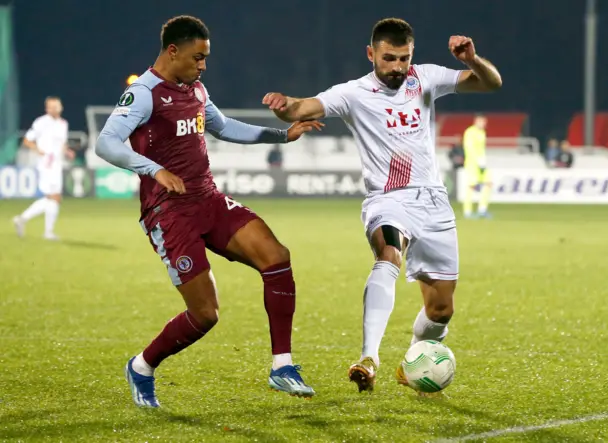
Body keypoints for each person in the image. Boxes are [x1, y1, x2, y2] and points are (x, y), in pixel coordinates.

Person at [262, 17, 502, 393]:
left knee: (441, 310)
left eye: (403, 58)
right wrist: (283, 106)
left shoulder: (425, 78)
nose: (397, 68)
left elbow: (492, 83)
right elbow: (301, 108)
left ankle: (412, 363)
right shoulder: (354, 93)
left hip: (434, 202)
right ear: (371, 54)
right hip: (388, 200)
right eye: (389, 58)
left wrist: (472, 59)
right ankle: (369, 358)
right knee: (389, 253)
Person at [95, 15, 322, 407]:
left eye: (206, 58)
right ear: (173, 51)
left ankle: (282, 367)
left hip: (209, 200)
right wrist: (153, 169)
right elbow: (106, 143)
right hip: (169, 213)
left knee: (276, 257)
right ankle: (143, 365)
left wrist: (282, 135)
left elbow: (224, 127)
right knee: (205, 315)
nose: (203, 66)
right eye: (198, 57)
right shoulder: (146, 92)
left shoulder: (196, 90)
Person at [13, 96, 75, 240]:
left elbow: (62, 143)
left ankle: (23, 220)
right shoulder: (41, 122)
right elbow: (27, 140)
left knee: (54, 198)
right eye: (51, 106)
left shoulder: (63, 123)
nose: (54, 109)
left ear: (61, 107)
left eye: (56, 106)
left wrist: (67, 151)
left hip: (57, 164)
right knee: (54, 197)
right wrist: (38, 149)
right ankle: (46, 231)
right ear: (47, 108)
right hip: (46, 164)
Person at [462, 114, 492, 219]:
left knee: (488, 184)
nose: (483, 124)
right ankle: (467, 212)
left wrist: (483, 160)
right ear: (476, 121)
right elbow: (469, 148)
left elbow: (481, 149)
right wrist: (477, 160)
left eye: (484, 122)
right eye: (481, 121)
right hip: (472, 164)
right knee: (471, 186)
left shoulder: (482, 132)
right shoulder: (470, 132)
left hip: (482, 164)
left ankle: (482, 210)